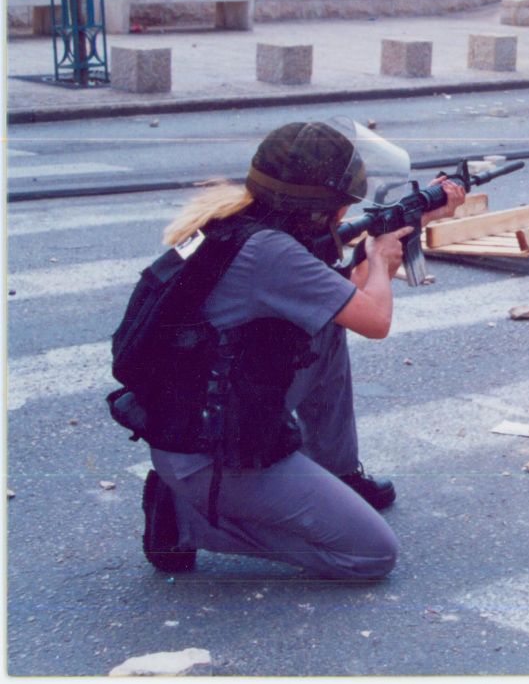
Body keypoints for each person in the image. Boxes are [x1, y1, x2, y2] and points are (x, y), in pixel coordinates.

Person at [134, 120, 465, 579]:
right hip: (212, 453)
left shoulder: (243, 225)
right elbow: (376, 320)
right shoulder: (273, 254)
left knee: (325, 328)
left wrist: (414, 218)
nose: (346, 211)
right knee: (370, 555)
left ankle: (339, 473)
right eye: (341, 205)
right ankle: (185, 521)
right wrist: (383, 259)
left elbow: (341, 295)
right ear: (314, 208)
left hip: (194, 422)